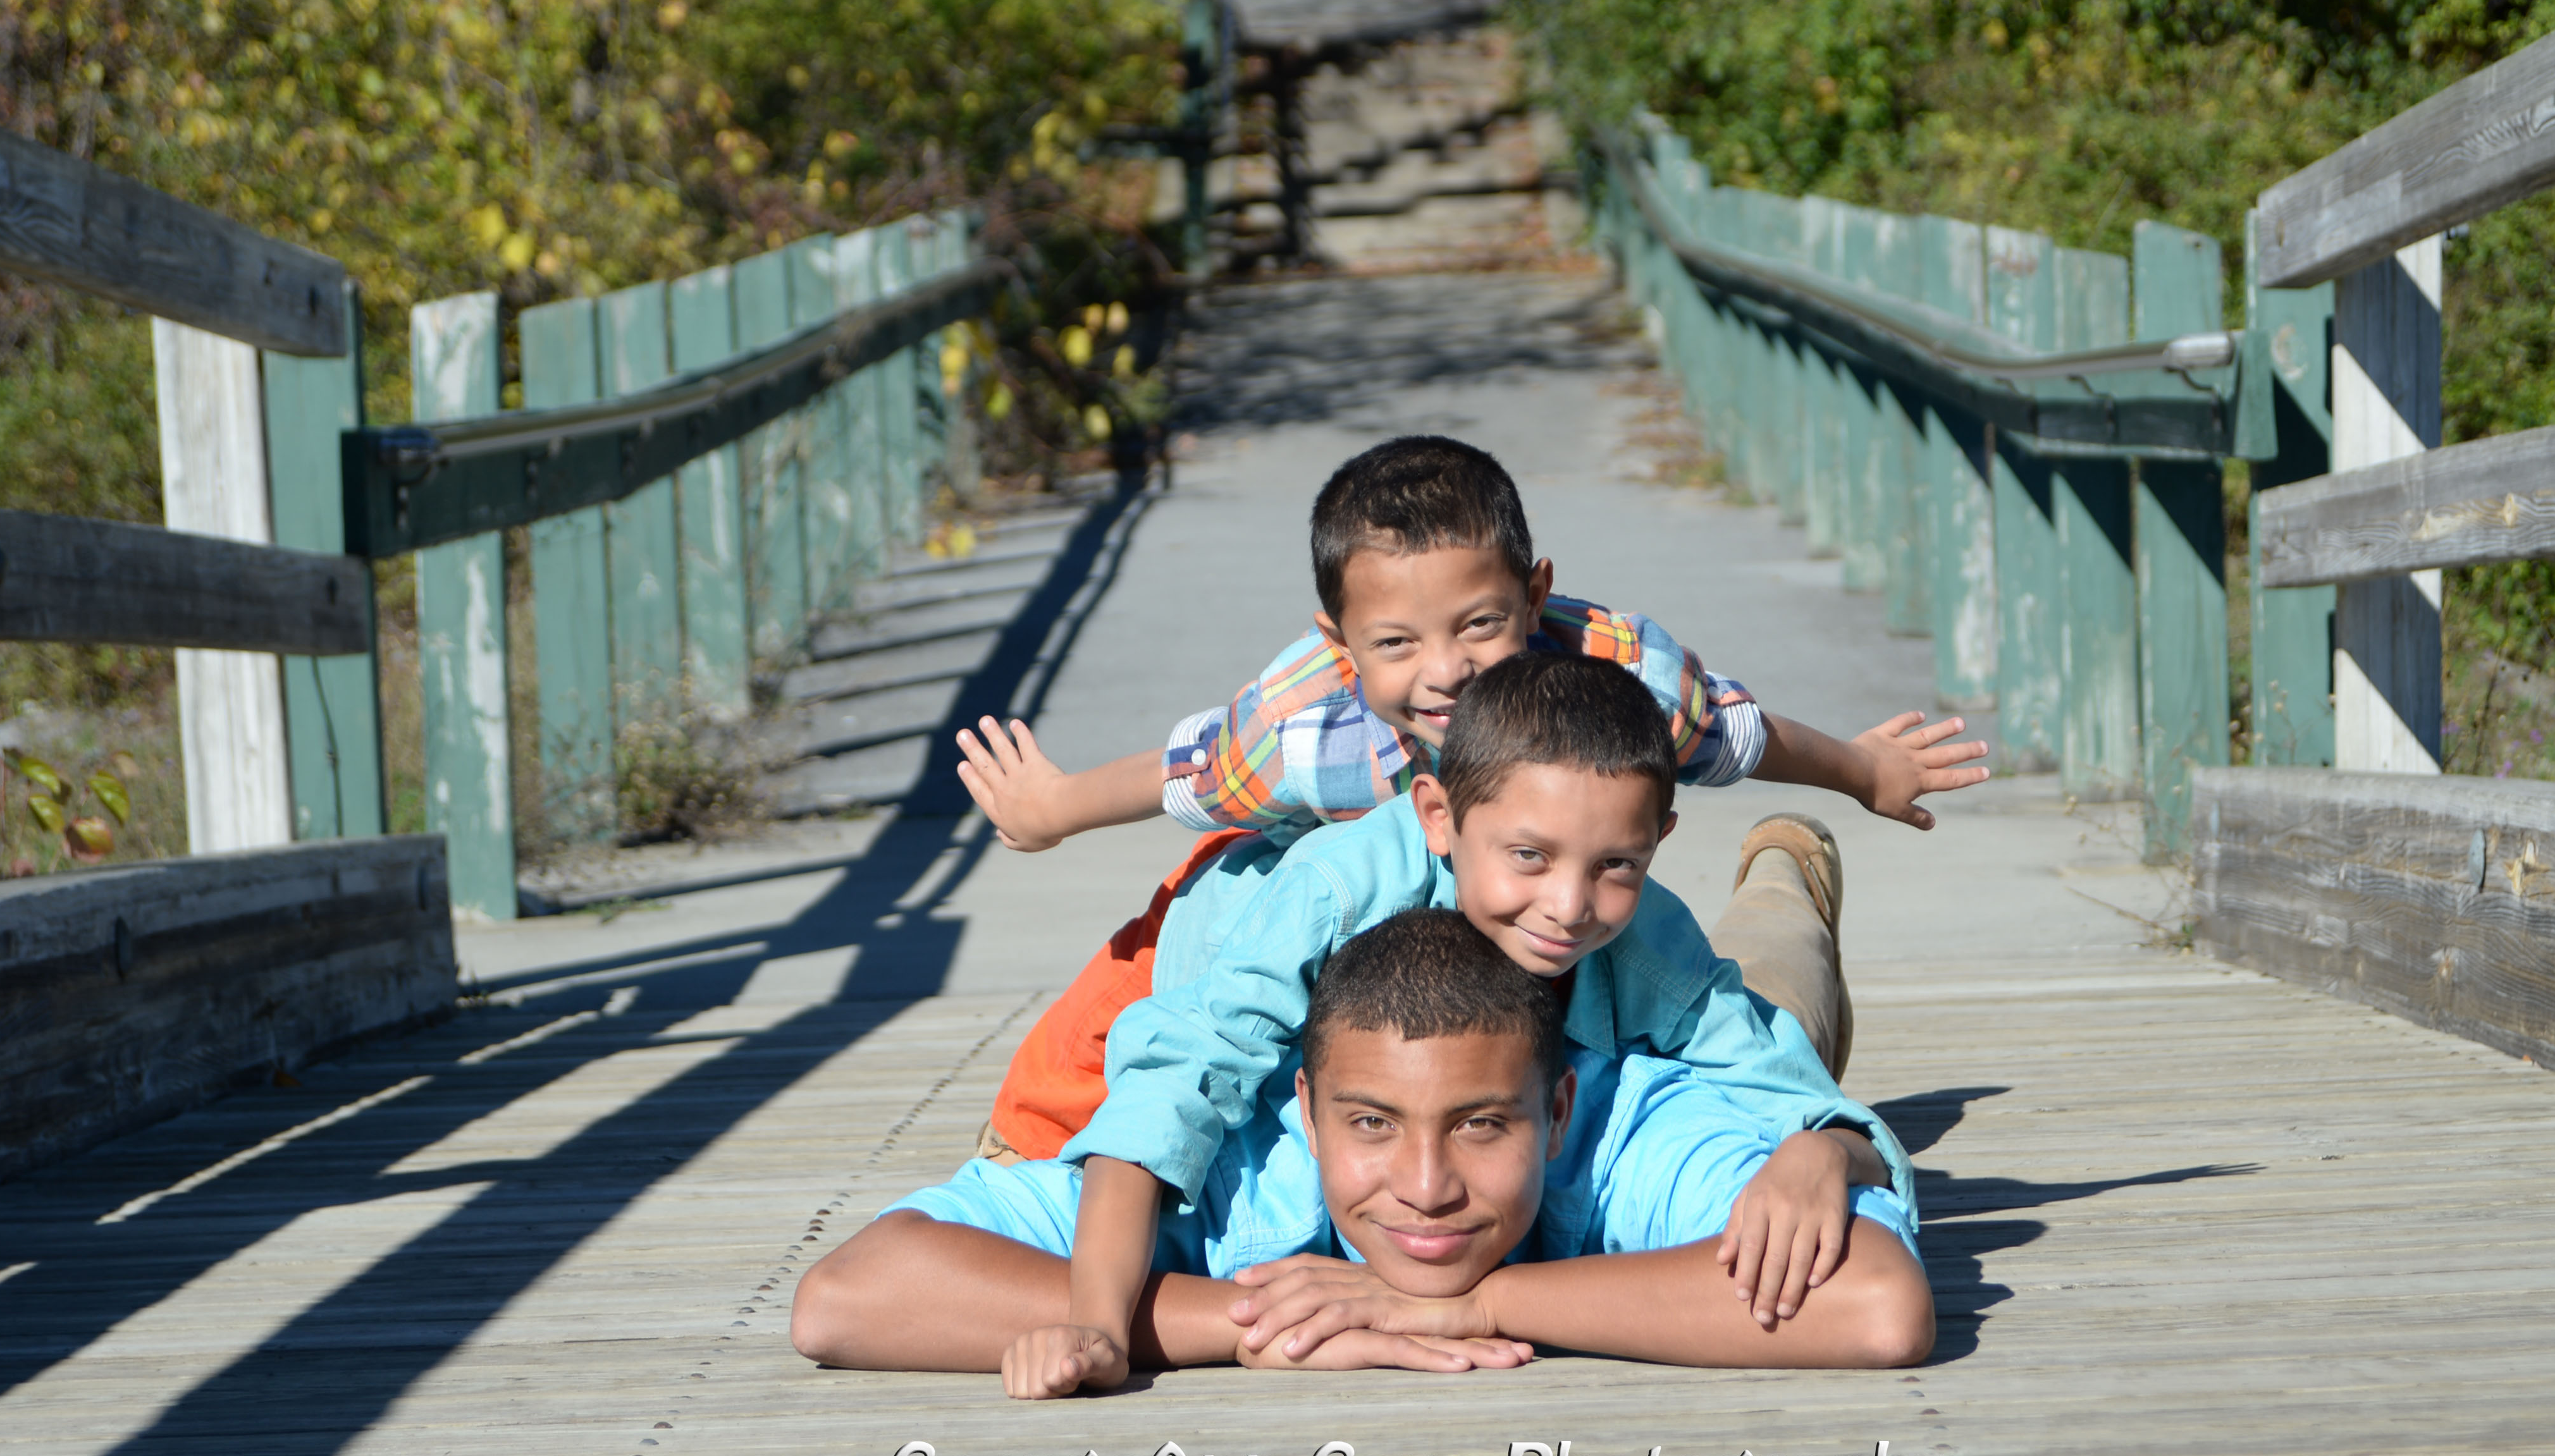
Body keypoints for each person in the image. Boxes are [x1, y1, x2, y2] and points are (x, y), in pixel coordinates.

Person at [959, 434, 1980, 1160]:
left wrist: (1864, 771)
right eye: (1398, 643)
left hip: (1534, 911)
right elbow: (1186, 773)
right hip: (1340, 906)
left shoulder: (1615, 680)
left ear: (1534, 596)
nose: (1445, 671)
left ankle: (1782, 893)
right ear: (1340, 644)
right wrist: (1053, 809)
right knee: (1164, 956)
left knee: (1682, 1041)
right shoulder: (1306, 729)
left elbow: (1733, 736)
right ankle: (1037, 1138)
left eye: (1481, 625)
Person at [1030, 654, 1920, 1395]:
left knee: (1782, 999)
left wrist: (1825, 1149)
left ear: (1659, 841)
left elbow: (1790, 1089)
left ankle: (1785, 875)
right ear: (1438, 821)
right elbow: (1174, 1085)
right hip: (1180, 989)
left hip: (1638, 1050)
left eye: (1617, 864)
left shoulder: (1648, 943)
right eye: (1530, 856)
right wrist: (1099, 1329)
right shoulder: (1333, 899)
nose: (1569, 906)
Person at [789, 908, 1933, 1385]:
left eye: (1482, 1126)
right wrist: (1263, 1321)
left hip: (1712, 1019)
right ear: (1307, 1108)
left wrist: (1471, 1307)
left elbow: (1878, 1309)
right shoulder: (1252, 1168)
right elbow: (846, 1297)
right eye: (1372, 1125)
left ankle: (1782, 886)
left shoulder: (1633, 1127)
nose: (1426, 1189)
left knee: (1785, 994)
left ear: (1559, 1113)